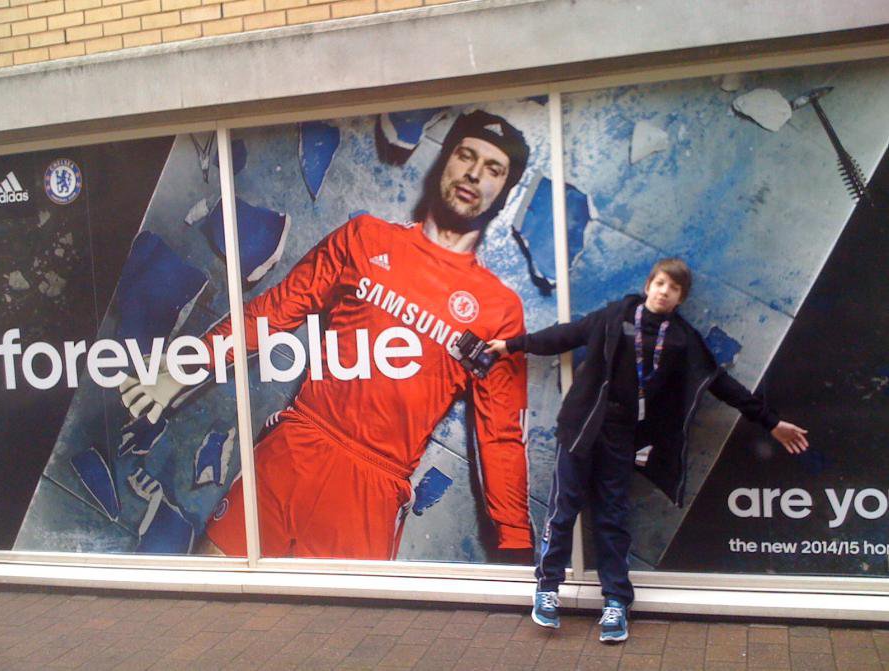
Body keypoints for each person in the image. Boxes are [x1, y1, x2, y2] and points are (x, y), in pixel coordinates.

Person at [119, 110, 535, 561]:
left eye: (493, 169)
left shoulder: (498, 310)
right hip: (295, 450)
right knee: (209, 590)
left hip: (372, 491)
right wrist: (189, 364)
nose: (474, 173)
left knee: (329, 612)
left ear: (503, 191)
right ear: (445, 160)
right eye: (466, 155)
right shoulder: (366, 238)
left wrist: (516, 545)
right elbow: (276, 310)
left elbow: (500, 437)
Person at [486, 258, 808, 641]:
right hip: (581, 428)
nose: (664, 292)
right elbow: (565, 335)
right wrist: (511, 346)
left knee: (612, 519)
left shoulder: (681, 339)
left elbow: (721, 383)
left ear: (680, 298)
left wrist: (770, 422)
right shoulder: (615, 316)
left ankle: (616, 603)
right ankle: (547, 589)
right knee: (562, 511)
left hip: (624, 437)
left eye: (673, 288)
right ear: (648, 285)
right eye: (660, 283)